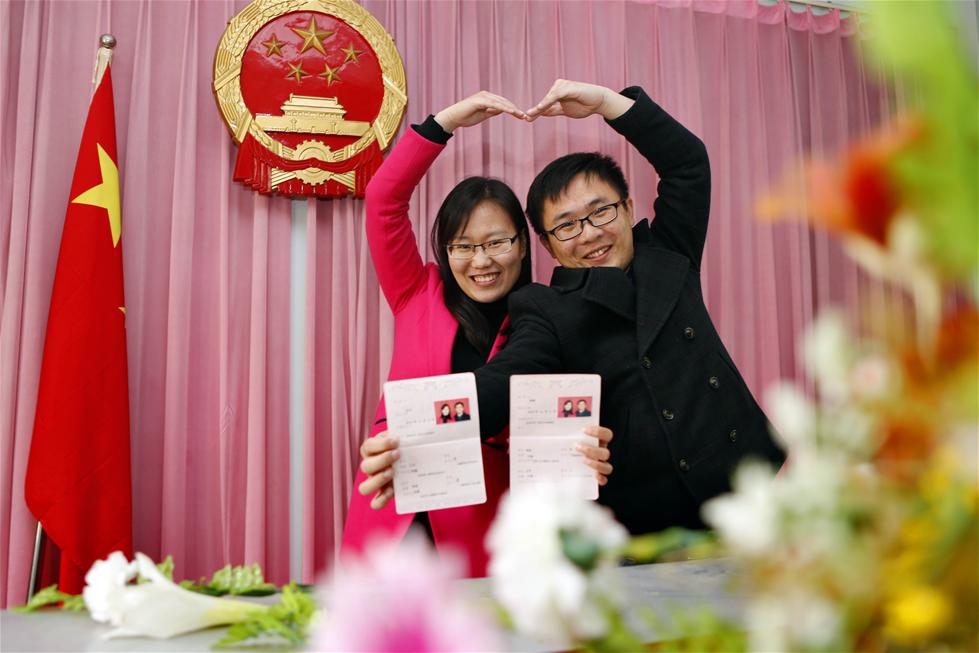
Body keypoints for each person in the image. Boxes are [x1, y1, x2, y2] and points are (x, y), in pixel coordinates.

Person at [470, 80, 786, 536]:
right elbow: (503, 380)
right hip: (647, 527)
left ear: (628, 207)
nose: (591, 233)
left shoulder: (669, 254)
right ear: (547, 245)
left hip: (749, 491)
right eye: (567, 226)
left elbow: (688, 164)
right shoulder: (544, 307)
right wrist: (414, 427)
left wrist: (605, 104)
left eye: (601, 212)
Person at [342, 91, 614, 577]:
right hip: (395, 519)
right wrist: (444, 123)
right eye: (463, 246)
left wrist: (587, 451)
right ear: (445, 251)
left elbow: (560, 431)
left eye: (497, 242)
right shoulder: (415, 291)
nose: (482, 261)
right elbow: (384, 200)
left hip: (486, 537)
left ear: (524, 245)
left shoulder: (549, 319)